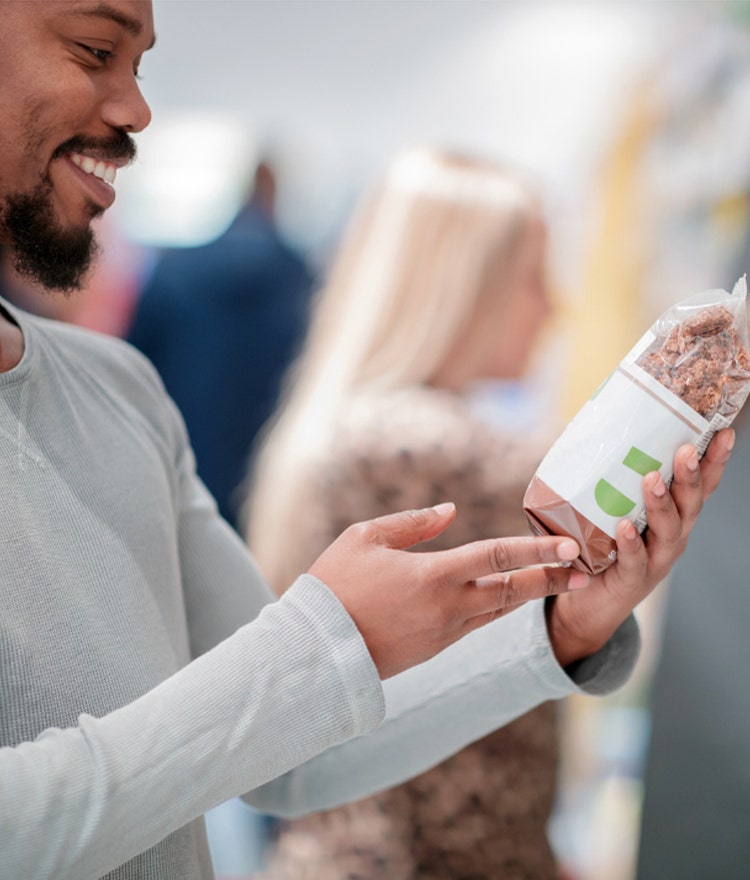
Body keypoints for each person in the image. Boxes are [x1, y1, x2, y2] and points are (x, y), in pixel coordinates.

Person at [0, 3, 733, 880]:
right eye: (94, 50)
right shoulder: (420, 442)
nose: (135, 109)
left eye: (140, 67)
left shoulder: (121, 393)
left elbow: (289, 752)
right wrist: (315, 646)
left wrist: (560, 629)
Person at [245, 148, 565, 879]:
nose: (554, 306)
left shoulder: (352, 427)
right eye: (533, 277)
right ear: (465, 286)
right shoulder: (414, 443)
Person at [127, 158, 314, 530]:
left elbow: (132, 368)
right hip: (268, 471)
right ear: (276, 198)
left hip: (185, 460)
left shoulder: (176, 269)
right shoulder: (303, 280)